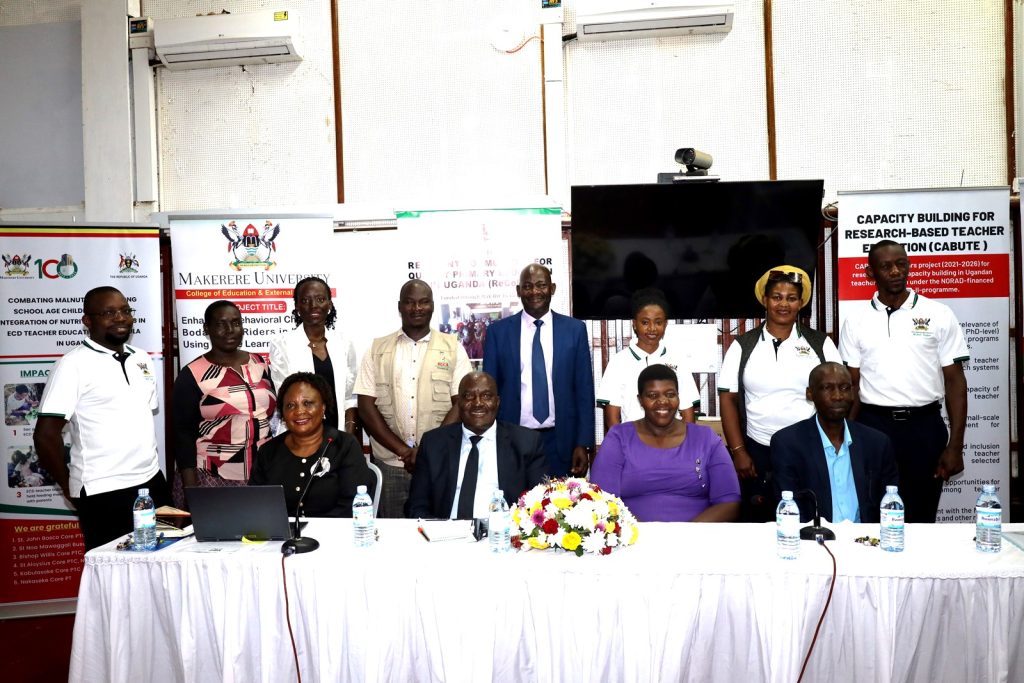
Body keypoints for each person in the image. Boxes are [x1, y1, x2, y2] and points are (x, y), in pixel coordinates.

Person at [839, 240, 968, 523]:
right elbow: (852, 386)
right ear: (870, 273)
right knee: (873, 512)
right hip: (872, 427)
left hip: (924, 428)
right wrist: (844, 437)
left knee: (921, 516)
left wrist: (955, 445)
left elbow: (955, 382)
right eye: (886, 266)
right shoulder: (856, 320)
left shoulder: (939, 314)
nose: (896, 271)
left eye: (901, 264)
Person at [33, 287, 170, 551]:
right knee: (114, 574)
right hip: (102, 490)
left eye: (125, 311)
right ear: (88, 321)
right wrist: (70, 487)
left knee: (163, 562)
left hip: (152, 481)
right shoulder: (72, 364)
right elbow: (45, 435)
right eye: (109, 312)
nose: (120, 318)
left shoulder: (142, 358)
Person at [717, 265, 841, 522]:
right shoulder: (743, 345)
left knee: (809, 521)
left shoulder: (820, 344)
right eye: (777, 297)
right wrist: (739, 451)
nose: (783, 304)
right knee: (758, 524)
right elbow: (727, 399)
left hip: (809, 450)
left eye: (791, 298)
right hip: (758, 452)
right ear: (765, 300)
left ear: (801, 303)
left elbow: (839, 394)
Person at [354, 280, 471, 517]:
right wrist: (403, 450)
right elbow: (366, 407)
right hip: (390, 464)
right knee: (392, 537)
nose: (416, 308)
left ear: (432, 306)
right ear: (400, 307)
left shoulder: (454, 347)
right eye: (409, 302)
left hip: (439, 462)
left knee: (438, 532)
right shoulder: (377, 349)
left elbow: (461, 402)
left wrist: (427, 449)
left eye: (423, 302)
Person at [483, 263, 595, 477]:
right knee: (513, 506)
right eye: (528, 286)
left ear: (552, 288)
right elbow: (490, 390)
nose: (534, 291)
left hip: (561, 440)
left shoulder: (574, 330)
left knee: (559, 506)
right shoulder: (498, 332)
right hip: (512, 438)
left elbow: (583, 390)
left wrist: (583, 443)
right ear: (518, 291)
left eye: (541, 285)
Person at [590, 364, 740, 522]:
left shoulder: (706, 438)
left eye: (670, 394)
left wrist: (684, 536)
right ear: (640, 400)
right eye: (652, 395)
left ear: (678, 398)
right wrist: (644, 535)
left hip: (695, 540)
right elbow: (603, 501)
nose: (663, 401)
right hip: (634, 540)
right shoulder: (619, 438)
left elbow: (729, 502)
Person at [171, 300, 276, 507]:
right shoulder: (192, 374)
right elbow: (182, 434)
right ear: (206, 329)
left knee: (263, 538)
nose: (230, 330)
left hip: (262, 474)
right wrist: (191, 491)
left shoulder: (259, 363)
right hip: (213, 476)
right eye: (221, 324)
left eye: (236, 323)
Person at [406, 371, 546, 519]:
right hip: (446, 535)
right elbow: (416, 505)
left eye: (486, 396)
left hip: (503, 535)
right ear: (458, 403)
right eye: (469, 396)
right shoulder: (433, 443)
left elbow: (538, 505)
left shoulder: (527, 443)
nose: (478, 403)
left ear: (497, 402)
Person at [770, 362, 898, 523]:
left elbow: (889, 507)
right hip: (814, 540)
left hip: (865, 541)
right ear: (810, 394)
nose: (837, 396)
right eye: (827, 388)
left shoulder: (877, 443)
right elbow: (790, 510)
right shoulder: (788, 444)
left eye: (844, 388)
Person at [250, 372, 374, 517]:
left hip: (333, 533)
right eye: (290, 405)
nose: (299, 411)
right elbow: (257, 504)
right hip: (283, 537)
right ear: (282, 414)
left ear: (323, 408)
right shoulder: (269, 451)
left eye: (307, 403)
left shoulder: (344, 446)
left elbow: (352, 505)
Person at [596, 288, 700, 434]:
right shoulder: (618, 362)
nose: (652, 329)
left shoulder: (678, 361)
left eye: (658, 322)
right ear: (634, 324)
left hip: (671, 444)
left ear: (665, 324)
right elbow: (612, 418)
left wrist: (681, 446)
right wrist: (624, 447)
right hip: (633, 445)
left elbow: (688, 414)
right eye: (645, 322)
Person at [269, 277, 358, 435]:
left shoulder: (344, 343)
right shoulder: (282, 345)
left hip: (336, 436)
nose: (313, 305)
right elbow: (285, 398)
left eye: (320, 299)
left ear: (329, 304)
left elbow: (349, 396)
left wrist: (348, 432)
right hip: (298, 436)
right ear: (297, 306)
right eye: (305, 300)